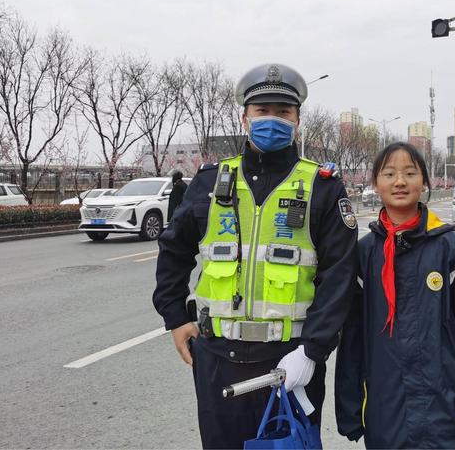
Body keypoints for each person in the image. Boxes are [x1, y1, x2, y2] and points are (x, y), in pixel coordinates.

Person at [152, 63, 358, 449]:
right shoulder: (211, 181)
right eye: (263, 111)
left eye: (283, 112)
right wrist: (175, 318)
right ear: (245, 118)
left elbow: (340, 276)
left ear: (298, 119)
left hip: (291, 362)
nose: (273, 120)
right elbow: (173, 249)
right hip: (217, 359)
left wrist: (312, 352)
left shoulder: (322, 187)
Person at [335, 142, 455, 449]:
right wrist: (350, 409)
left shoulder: (447, 246)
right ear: (376, 184)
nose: (400, 181)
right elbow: (353, 336)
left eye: (410, 172)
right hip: (385, 411)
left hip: (446, 411)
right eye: (389, 173)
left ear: (424, 182)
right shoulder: (365, 253)